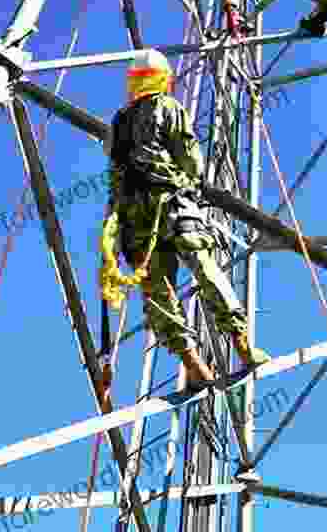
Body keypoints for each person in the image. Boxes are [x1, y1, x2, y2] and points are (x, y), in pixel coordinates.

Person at [100, 49, 269, 393]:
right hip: (173, 204)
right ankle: (243, 346)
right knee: (204, 266)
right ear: (163, 78)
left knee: (157, 290)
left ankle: (192, 364)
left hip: (133, 218)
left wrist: (113, 233)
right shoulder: (169, 108)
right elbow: (190, 160)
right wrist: (192, 182)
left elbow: (114, 178)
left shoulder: (117, 124)